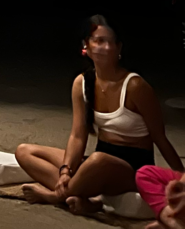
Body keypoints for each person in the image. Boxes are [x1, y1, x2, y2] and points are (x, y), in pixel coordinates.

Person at [15, 14, 182, 215]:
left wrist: (181, 176)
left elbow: (160, 138)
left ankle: (57, 196)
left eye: (111, 43)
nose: (105, 47)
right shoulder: (82, 83)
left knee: (98, 160)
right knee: (25, 151)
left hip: (131, 171)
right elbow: (78, 135)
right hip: (96, 164)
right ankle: (85, 199)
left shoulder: (135, 86)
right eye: (99, 41)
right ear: (86, 46)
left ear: (119, 48)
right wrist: (65, 171)